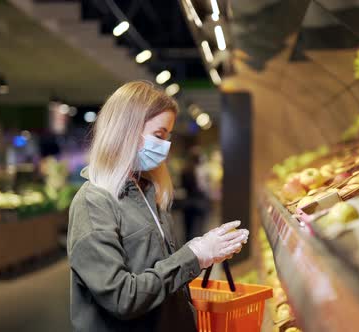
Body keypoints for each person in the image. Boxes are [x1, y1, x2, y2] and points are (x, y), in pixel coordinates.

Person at [67, 81, 249, 332]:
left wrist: (205, 255)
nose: (165, 146)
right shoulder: (94, 203)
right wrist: (193, 255)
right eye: (158, 135)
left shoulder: (147, 191)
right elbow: (122, 298)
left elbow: (159, 276)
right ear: (126, 131)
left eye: (168, 136)